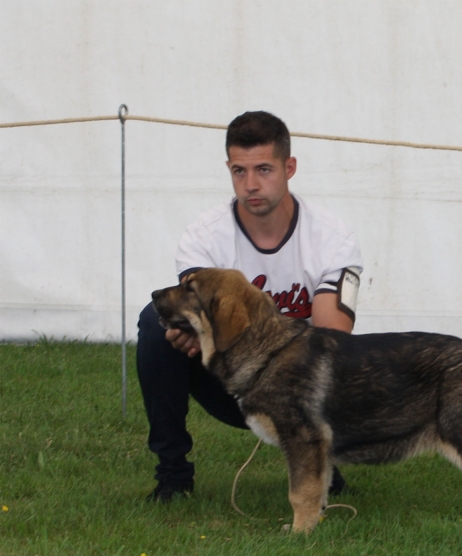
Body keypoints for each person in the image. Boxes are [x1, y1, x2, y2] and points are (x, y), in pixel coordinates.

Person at [137, 111, 363, 502]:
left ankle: (323, 458)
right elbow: (190, 320)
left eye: (264, 169)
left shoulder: (332, 238)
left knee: (329, 359)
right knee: (156, 327)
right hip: (230, 381)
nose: (251, 184)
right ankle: (172, 475)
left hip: (302, 384)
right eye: (239, 171)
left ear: (289, 167)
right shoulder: (204, 238)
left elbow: (332, 341)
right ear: (228, 168)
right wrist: (194, 331)